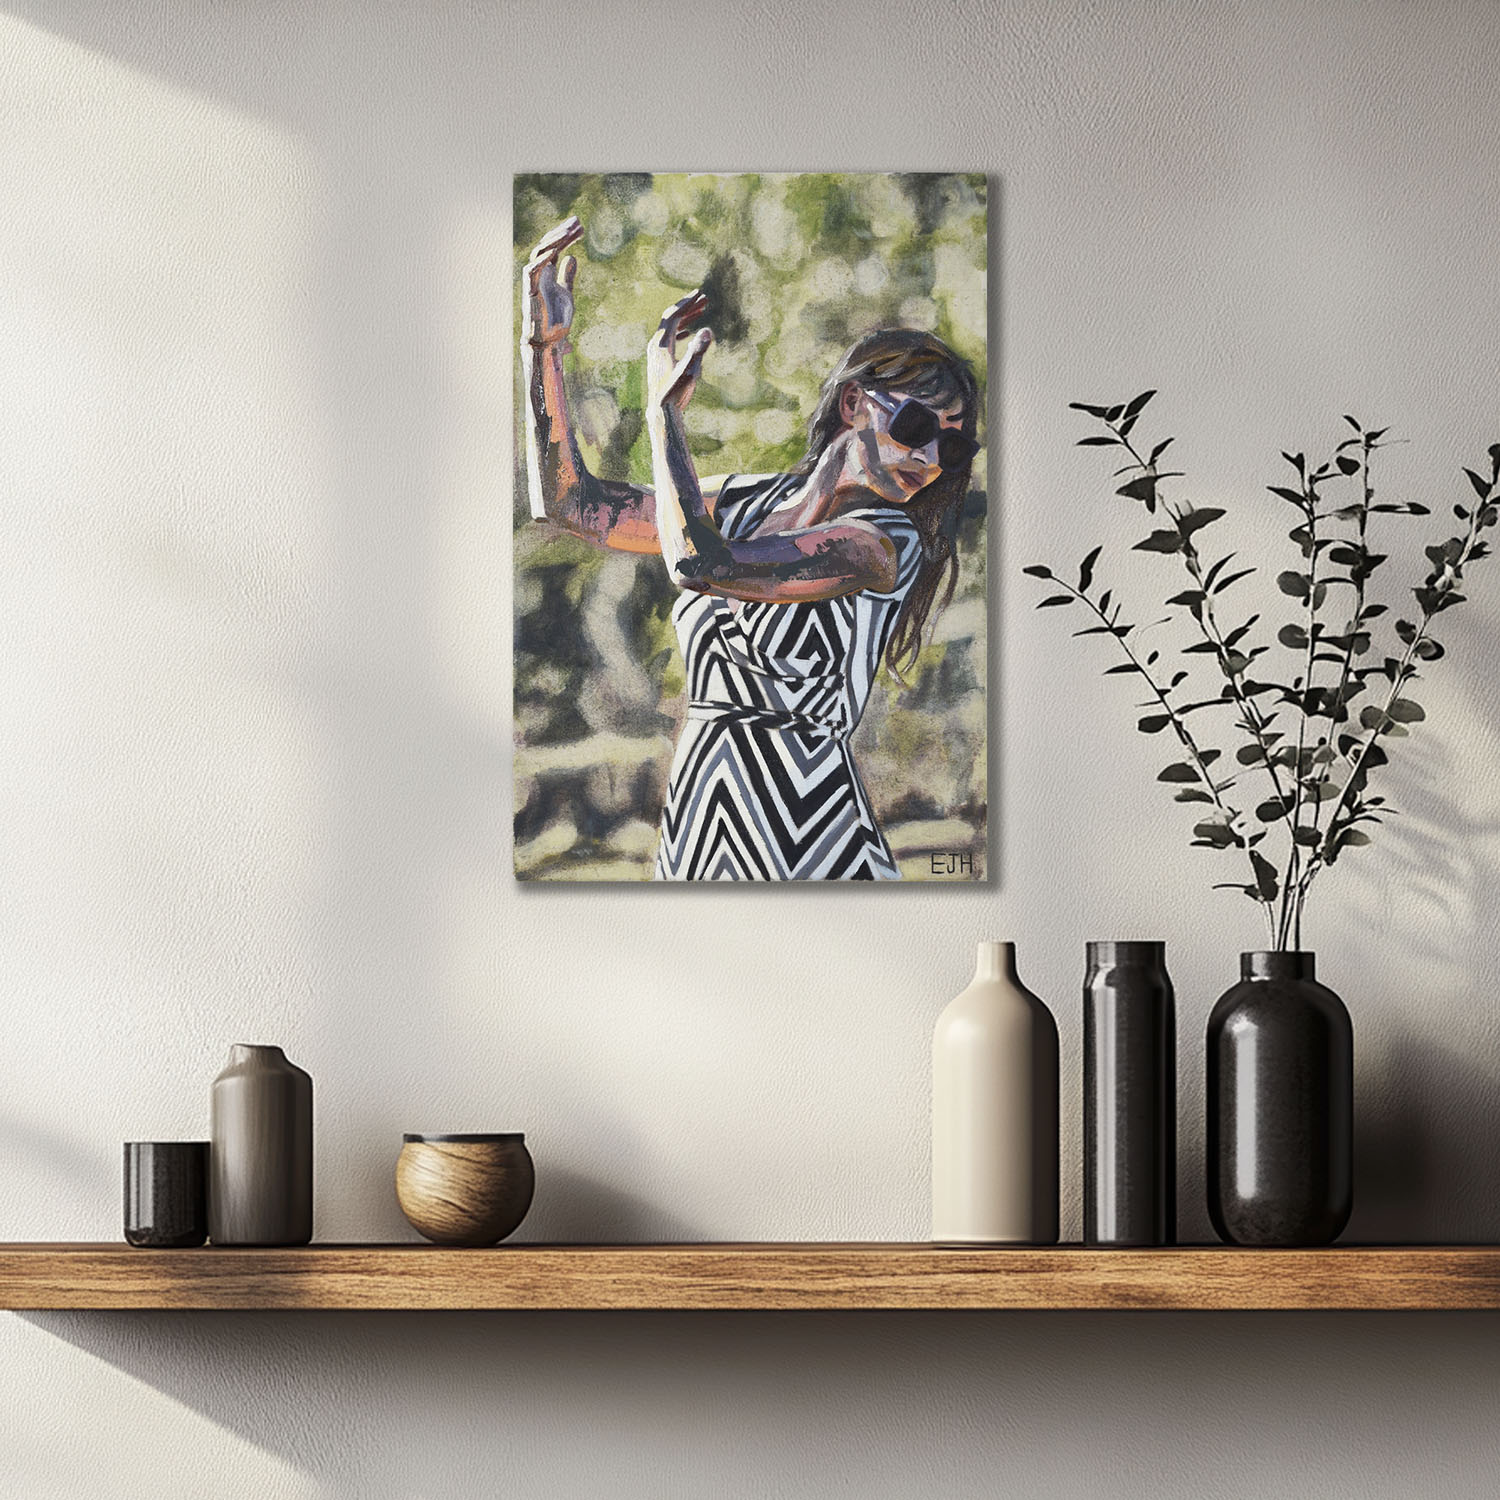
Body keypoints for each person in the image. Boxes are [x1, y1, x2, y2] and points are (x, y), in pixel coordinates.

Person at [521, 215, 980, 880]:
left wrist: (664, 418)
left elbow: (699, 563)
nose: (931, 457)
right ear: (854, 403)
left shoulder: (883, 543)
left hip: (810, 839)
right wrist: (544, 347)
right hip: (699, 826)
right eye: (915, 426)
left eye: (954, 447)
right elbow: (571, 506)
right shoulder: (745, 501)